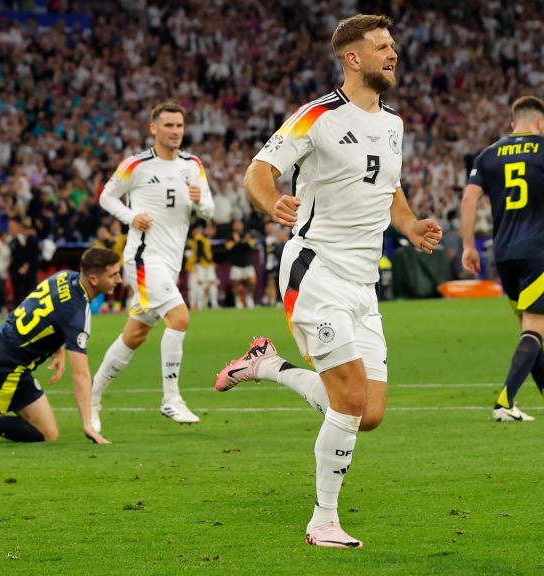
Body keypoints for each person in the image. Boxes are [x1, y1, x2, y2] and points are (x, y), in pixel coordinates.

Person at [215, 13, 442, 549]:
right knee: (349, 396)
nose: (393, 54)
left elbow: (389, 186)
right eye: (381, 46)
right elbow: (258, 170)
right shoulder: (315, 115)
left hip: (364, 285)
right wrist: (274, 203)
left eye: (393, 46)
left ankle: (266, 366)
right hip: (315, 269)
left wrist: (409, 224)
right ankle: (324, 520)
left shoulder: (393, 124)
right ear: (352, 57)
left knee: (369, 413)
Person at [459, 95, 544, 422]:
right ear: (541, 123)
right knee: (535, 328)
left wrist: (468, 245)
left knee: (528, 326)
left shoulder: (488, 154)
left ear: (513, 123)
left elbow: (469, 198)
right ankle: (504, 402)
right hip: (538, 250)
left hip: (504, 254)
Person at [92, 101, 216, 431]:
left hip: (171, 261)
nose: (176, 131)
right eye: (169, 126)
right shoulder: (136, 165)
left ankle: (91, 397)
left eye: (180, 126)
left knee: (135, 334)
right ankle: (171, 399)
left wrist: (198, 201)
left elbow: (210, 209)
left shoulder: (193, 164)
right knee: (180, 317)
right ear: (154, 129)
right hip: (143, 259)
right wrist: (132, 216)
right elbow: (106, 196)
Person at [0, 248, 121, 444]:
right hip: (6, 364)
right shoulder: (78, 313)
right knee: (47, 433)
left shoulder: (64, 276)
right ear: (93, 279)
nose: (119, 279)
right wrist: (88, 424)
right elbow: (80, 374)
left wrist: (58, 349)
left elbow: (48, 312)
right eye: (113, 275)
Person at [185, 222, 220, 310]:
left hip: (204, 265)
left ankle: (211, 304)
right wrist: (209, 261)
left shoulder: (205, 238)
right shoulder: (199, 238)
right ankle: (199, 305)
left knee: (210, 284)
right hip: (200, 265)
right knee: (200, 285)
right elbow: (200, 252)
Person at [225, 219, 257, 309]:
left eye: (239, 224)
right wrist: (236, 241)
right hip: (236, 264)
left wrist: (245, 241)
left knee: (252, 282)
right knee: (235, 283)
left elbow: (252, 245)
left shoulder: (247, 235)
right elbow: (228, 248)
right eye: (236, 224)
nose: (238, 226)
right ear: (233, 226)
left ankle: (249, 297)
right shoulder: (230, 236)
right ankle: (238, 300)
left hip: (247, 263)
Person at [262, 222, 287, 306]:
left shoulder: (287, 244)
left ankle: (281, 300)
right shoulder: (273, 244)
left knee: (283, 284)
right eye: (279, 234)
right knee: (272, 282)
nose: (281, 236)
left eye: (282, 234)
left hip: (284, 267)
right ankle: (273, 300)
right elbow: (268, 251)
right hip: (274, 266)